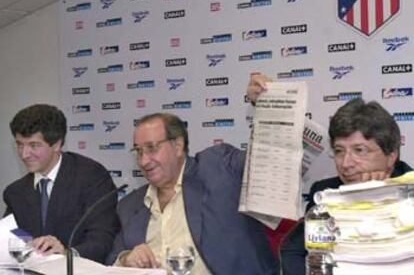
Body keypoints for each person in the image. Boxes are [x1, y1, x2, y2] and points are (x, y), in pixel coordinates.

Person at [248, 74, 412, 274]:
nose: (346, 163)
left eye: (359, 150)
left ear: (391, 155)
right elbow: (293, 251)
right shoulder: (325, 193)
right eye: (339, 151)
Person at [106, 112, 278, 274]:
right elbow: (111, 260)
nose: (143, 161)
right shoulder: (130, 205)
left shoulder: (218, 169)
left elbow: (269, 160)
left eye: (152, 148)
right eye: (138, 151)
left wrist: (264, 104)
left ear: (178, 146)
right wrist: (126, 259)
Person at [3, 104, 119, 264]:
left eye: (33, 145)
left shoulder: (91, 177)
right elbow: (13, 236)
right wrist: (29, 246)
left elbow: (103, 238)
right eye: (20, 145)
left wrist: (66, 254)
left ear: (57, 144)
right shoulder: (15, 192)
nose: (24, 154)